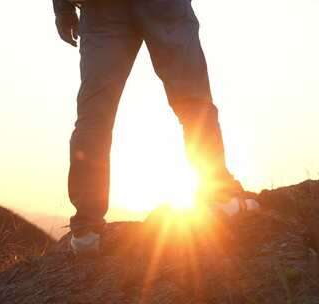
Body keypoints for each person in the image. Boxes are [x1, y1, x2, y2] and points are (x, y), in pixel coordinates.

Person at [53, 0, 259, 255]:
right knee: (193, 100)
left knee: (95, 117)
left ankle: (86, 232)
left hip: (100, 10)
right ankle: (219, 197)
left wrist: (62, 9)